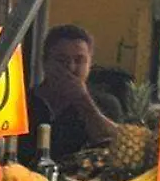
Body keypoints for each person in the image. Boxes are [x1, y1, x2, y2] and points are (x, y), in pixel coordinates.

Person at [30, 25, 122, 160]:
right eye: (61, 60)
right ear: (45, 62)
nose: (71, 68)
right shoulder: (24, 103)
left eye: (79, 60)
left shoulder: (106, 104)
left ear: (90, 65)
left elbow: (114, 143)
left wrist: (83, 101)